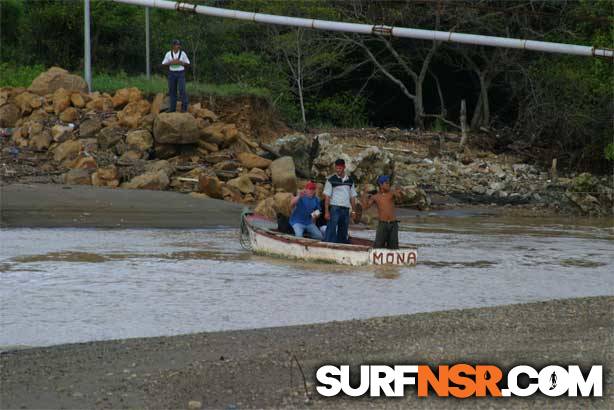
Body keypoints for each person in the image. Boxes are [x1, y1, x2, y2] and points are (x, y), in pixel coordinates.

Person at [361, 175, 401, 249]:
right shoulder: (376, 196)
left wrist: (396, 191)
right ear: (381, 184)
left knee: (394, 246)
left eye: (389, 183)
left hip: (393, 224)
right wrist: (364, 194)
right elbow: (365, 207)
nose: (388, 185)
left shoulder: (391, 193)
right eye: (387, 183)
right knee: (378, 246)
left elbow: (399, 196)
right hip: (382, 224)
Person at [323, 159, 357, 244]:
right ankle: (327, 246)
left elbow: (352, 197)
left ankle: (341, 247)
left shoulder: (350, 181)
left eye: (340, 168)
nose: (338, 170)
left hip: (346, 209)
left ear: (344, 167)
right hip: (335, 208)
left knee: (343, 230)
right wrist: (326, 212)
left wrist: (353, 211)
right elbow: (327, 197)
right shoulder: (331, 180)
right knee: (331, 228)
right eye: (337, 168)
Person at [161, 39, 190, 112]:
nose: (178, 46)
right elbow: (163, 63)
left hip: (180, 73)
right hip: (172, 73)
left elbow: (188, 63)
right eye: (176, 45)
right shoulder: (168, 54)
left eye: (179, 45)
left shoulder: (183, 53)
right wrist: (171, 62)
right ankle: (172, 108)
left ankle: (184, 109)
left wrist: (181, 62)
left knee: (182, 90)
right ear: (173, 46)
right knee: (172, 91)